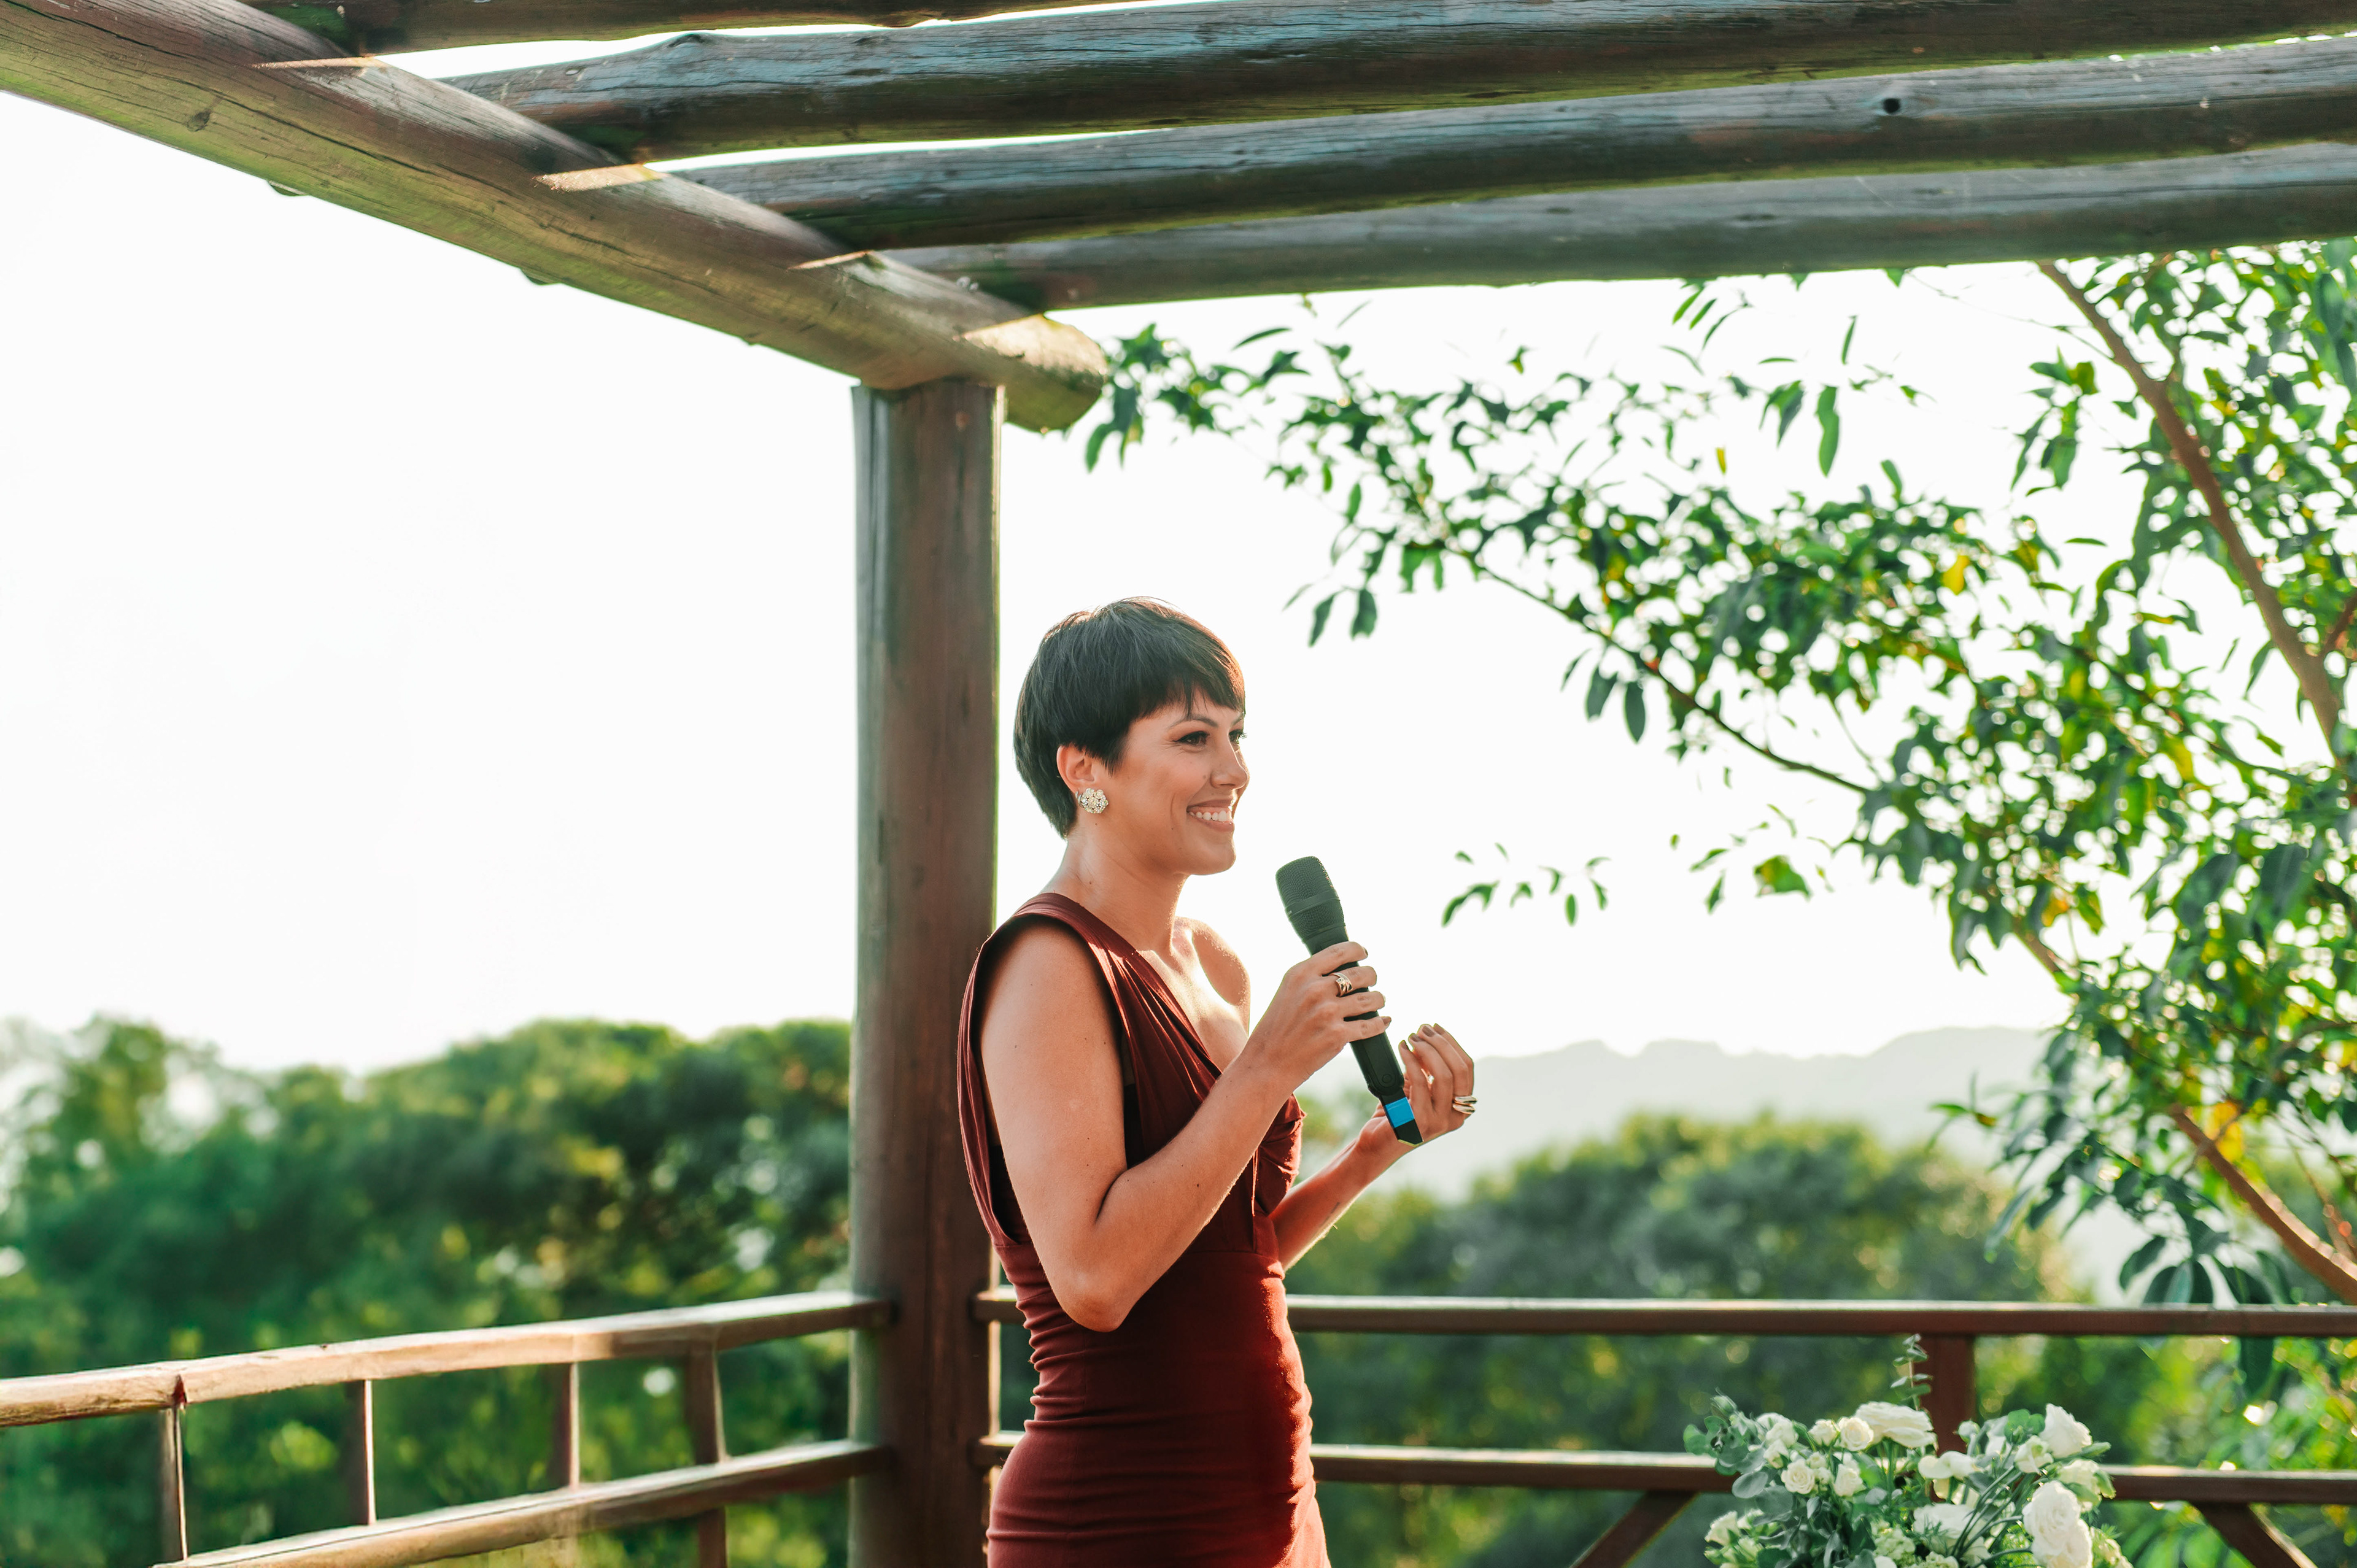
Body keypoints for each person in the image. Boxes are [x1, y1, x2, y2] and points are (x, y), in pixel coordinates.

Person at [957, 598, 1477, 1566]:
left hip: (1271, 1499)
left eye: (1237, 736)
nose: (1233, 769)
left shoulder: (1216, 964)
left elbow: (1231, 1256)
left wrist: (1371, 1155)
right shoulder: (1048, 964)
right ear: (1085, 770)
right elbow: (1099, 1282)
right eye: (1194, 738)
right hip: (1125, 1518)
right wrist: (1270, 1065)